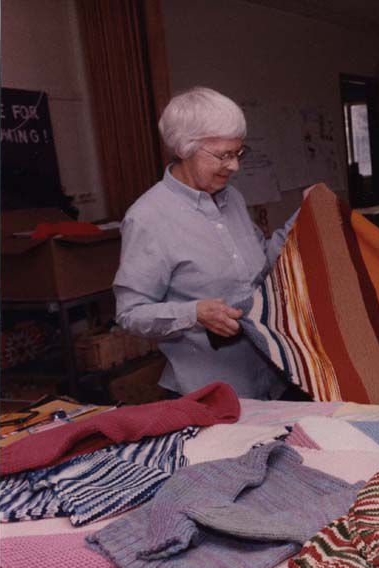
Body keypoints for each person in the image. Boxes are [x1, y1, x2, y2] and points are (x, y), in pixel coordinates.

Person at [114, 87, 297, 399]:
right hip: (209, 395)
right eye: (224, 155)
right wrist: (195, 313)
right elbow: (130, 314)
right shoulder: (147, 218)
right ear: (184, 148)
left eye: (238, 153)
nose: (235, 166)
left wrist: (303, 220)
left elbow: (261, 265)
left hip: (270, 378)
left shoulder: (232, 198)